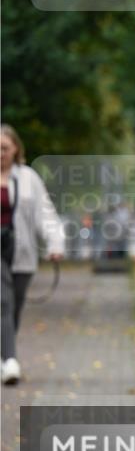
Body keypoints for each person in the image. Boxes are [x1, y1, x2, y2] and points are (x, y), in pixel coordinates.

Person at [1, 124, 65, 385]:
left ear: (16, 148)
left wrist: (55, 243)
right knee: (3, 301)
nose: (0, 154)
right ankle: (12, 361)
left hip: (21, 250)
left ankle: (4, 357)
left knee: (13, 307)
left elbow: (44, 212)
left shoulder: (28, 178)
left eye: (4, 148)